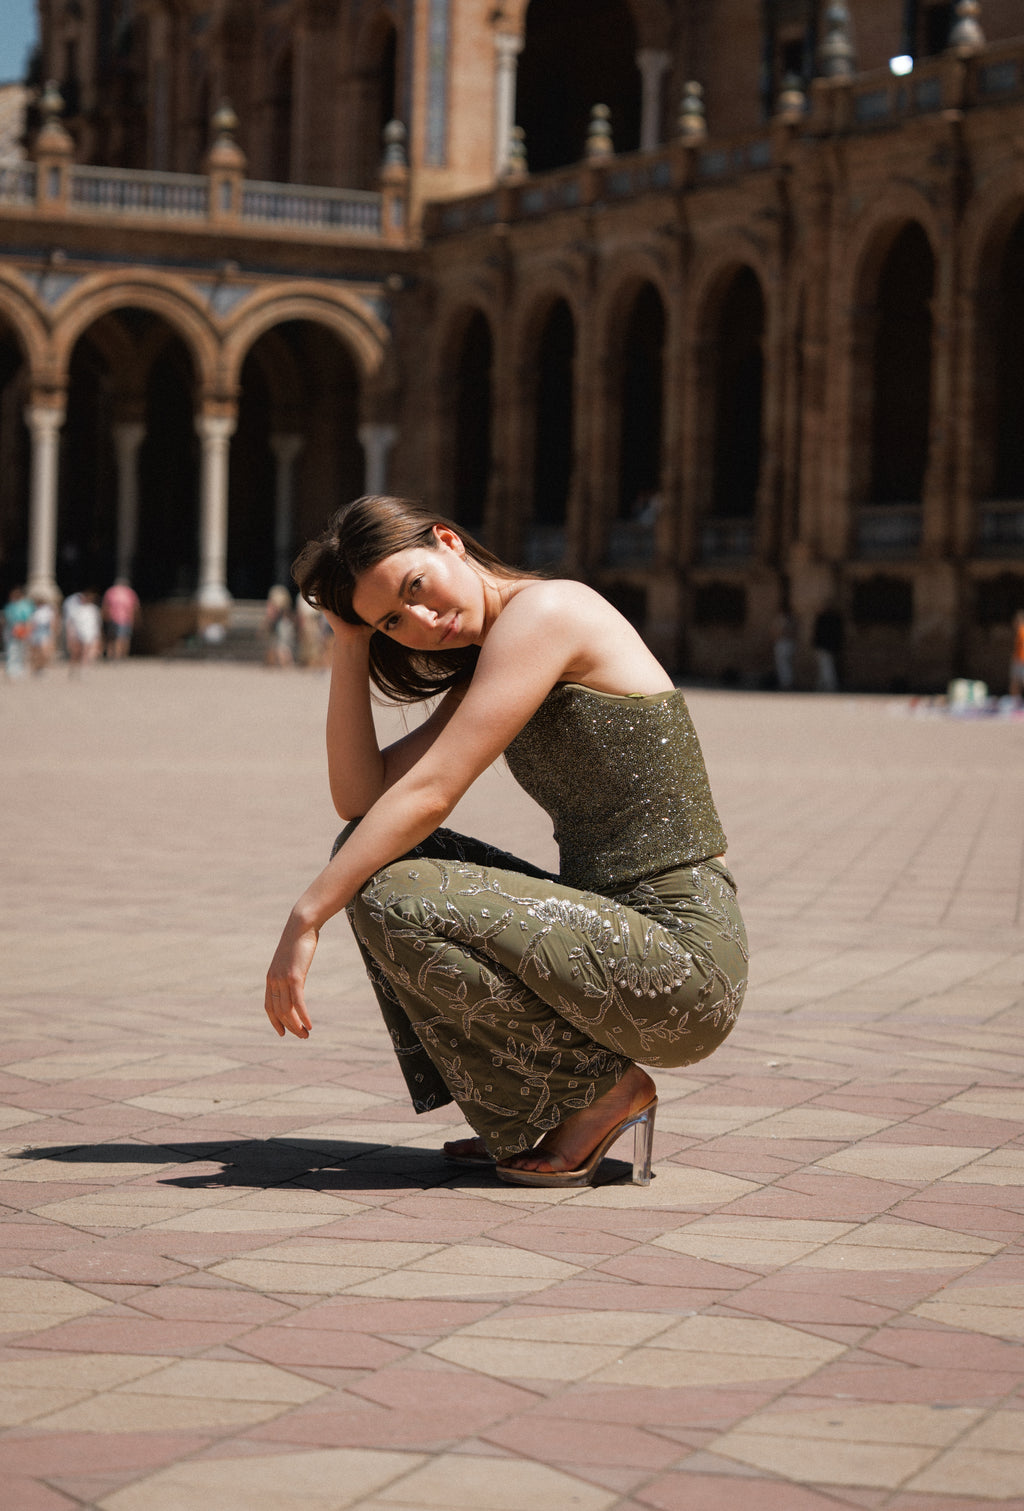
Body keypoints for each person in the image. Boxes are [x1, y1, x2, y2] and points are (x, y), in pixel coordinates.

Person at [265, 496, 748, 1187]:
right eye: (394, 621)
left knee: (385, 887)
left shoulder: (547, 614)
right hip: (618, 938)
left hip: (685, 961)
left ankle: (596, 1095)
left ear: (448, 542)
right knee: (367, 850)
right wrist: (351, 643)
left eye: (416, 589)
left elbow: (432, 793)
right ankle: (542, 1108)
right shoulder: (499, 653)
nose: (423, 624)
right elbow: (361, 796)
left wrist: (306, 915)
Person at [63, 589, 103, 671]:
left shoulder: (93, 609)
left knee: (86, 651)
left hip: (89, 632)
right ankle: (73, 668)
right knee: (76, 652)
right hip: (78, 633)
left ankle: (84, 667)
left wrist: (98, 636)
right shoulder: (77, 609)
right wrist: (70, 634)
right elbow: (71, 623)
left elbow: (96, 623)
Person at [101, 579, 140, 660]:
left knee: (118, 638)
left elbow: (105, 606)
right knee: (119, 638)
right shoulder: (128, 592)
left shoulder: (113, 592)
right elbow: (135, 608)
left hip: (122, 619)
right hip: (120, 619)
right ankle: (117, 656)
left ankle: (116, 656)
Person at [3, 586, 34, 679]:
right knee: (12, 650)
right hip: (11, 630)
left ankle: (20, 669)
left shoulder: (25, 606)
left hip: (22, 629)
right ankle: (11, 669)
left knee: (22, 650)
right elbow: (6, 619)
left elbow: (28, 619)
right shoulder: (9, 606)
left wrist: (26, 630)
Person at [812, 603, 844, 693]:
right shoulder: (826, 619)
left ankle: (830, 685)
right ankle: (822, 684)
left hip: (825, 646)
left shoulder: (826, 620)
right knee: (824, 666)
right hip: (825, 646)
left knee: (827, 666)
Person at [264, 585, 296, 667]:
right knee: (278, 646)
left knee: (282, 647)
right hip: (278, 625)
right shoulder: (276, 604)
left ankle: (283, 663)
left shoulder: (279, 605)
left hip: (281, 625)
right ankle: (275, 663)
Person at [1010, 610, 1024, 703]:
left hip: (1021, 661)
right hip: (1018, 660)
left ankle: (1015, 702)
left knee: (1017, 683)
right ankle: (1015, 702)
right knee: (1015, 683)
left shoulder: (1022, 631)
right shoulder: (1019, 631)